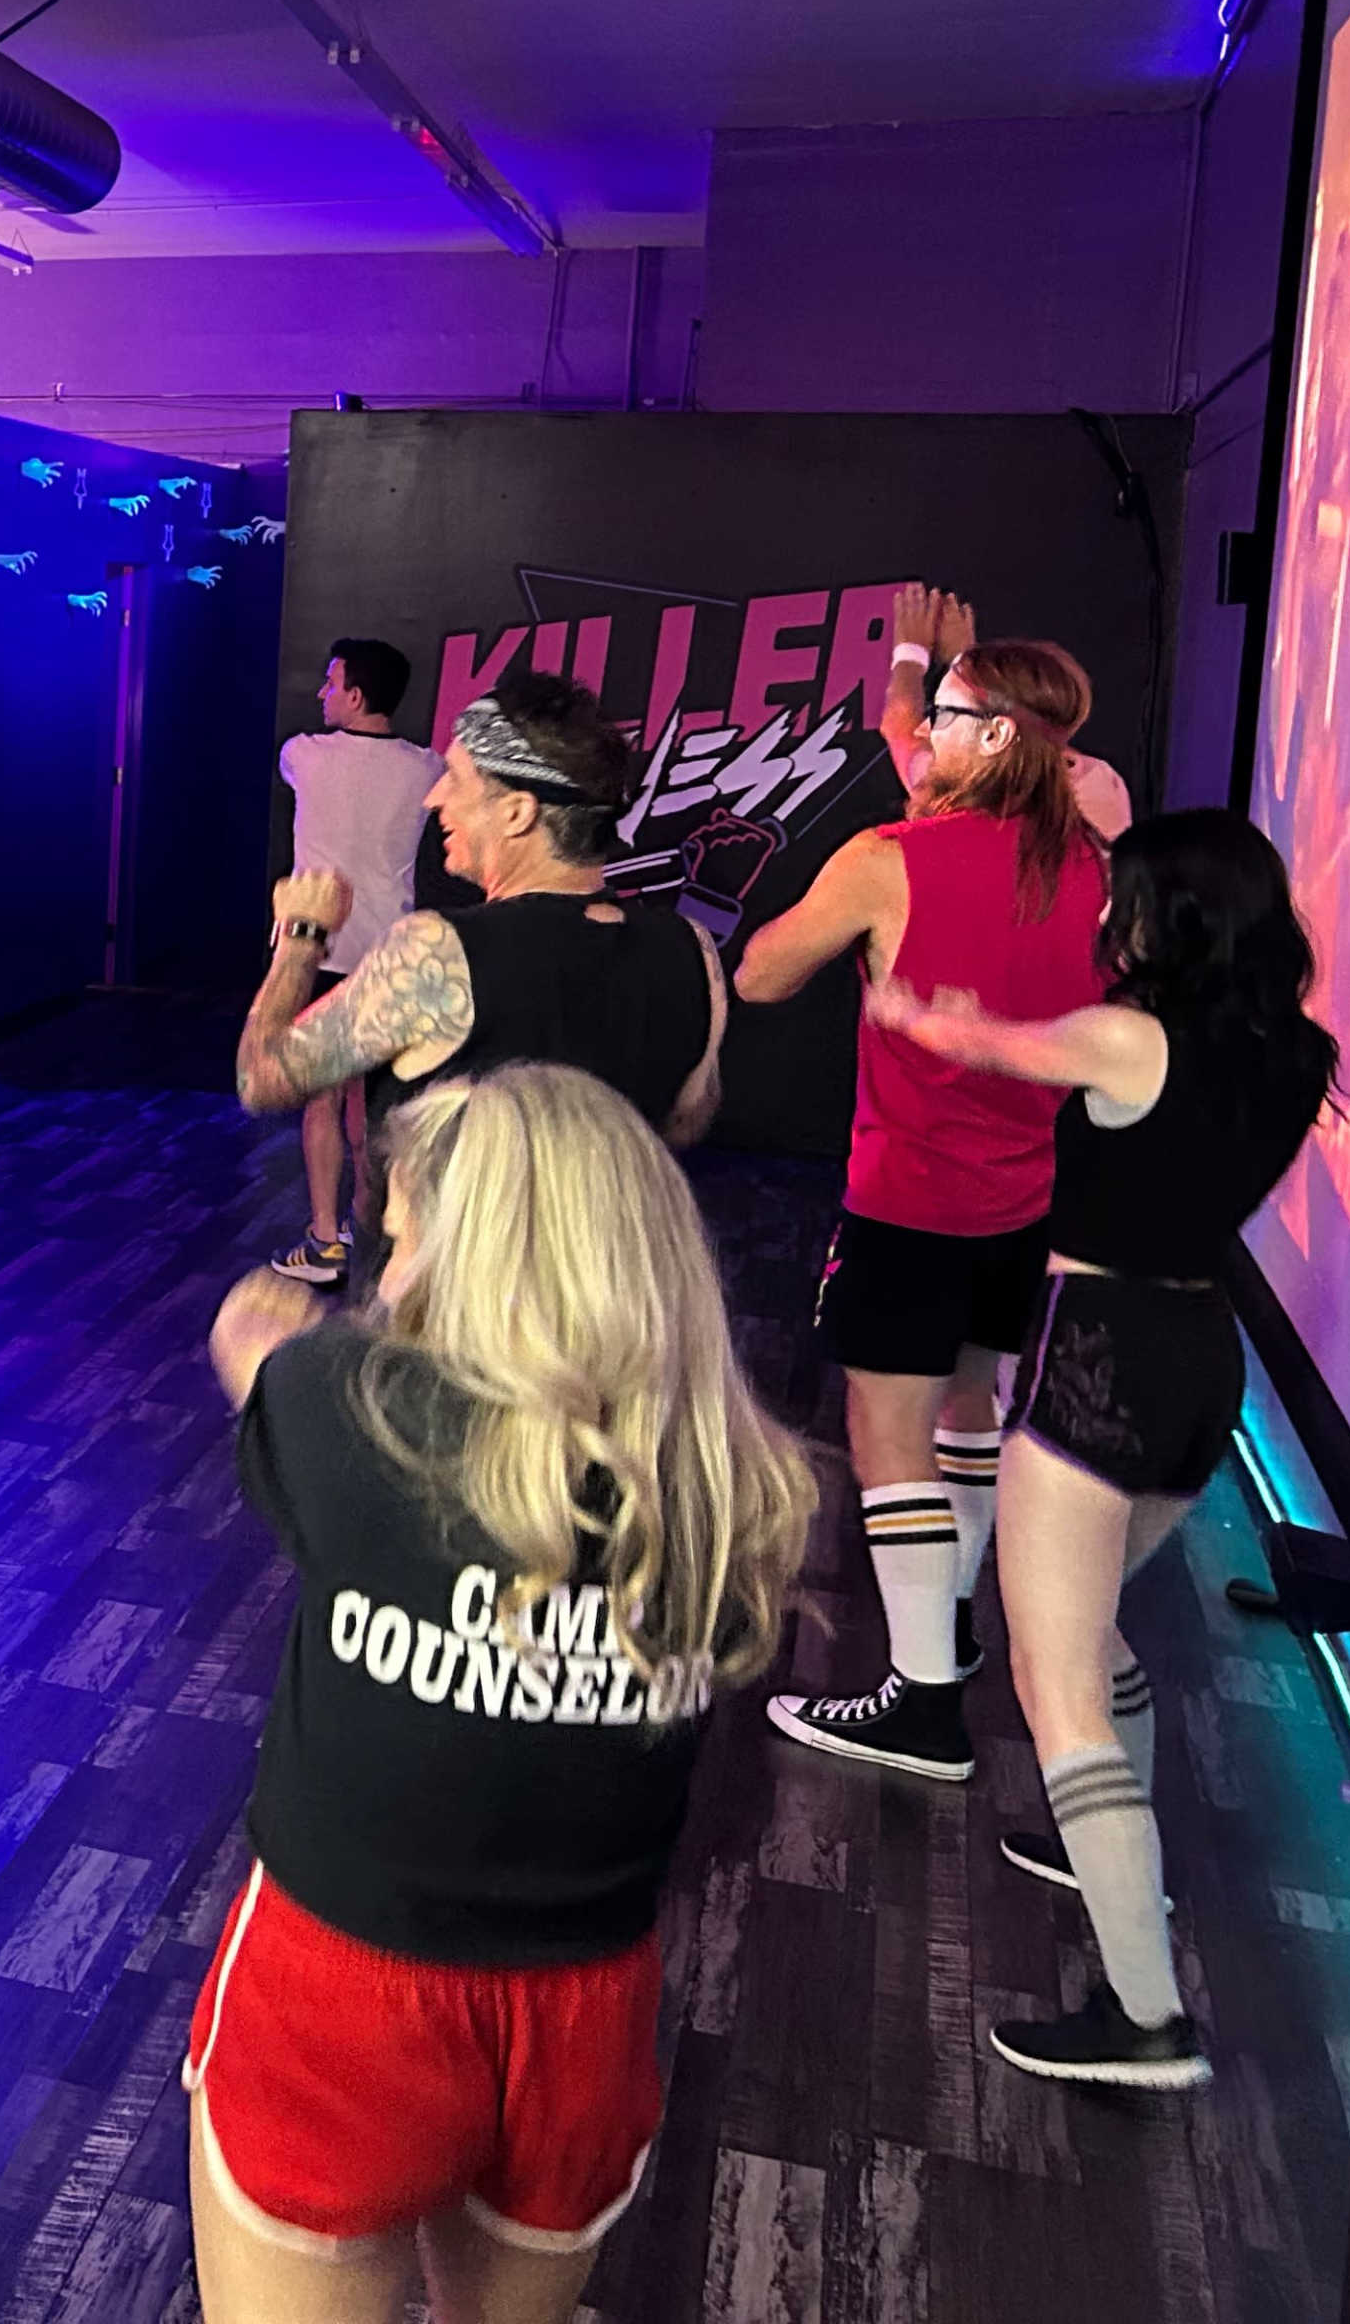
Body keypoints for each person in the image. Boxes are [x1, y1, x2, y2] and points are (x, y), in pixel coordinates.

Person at [189, 1063, 811, 2324]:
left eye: (402, 1240)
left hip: (339, 1994)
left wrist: (261, 1343)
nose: (387, 1275)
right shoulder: (726, 1492)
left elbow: (261, 1362)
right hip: (586, 2016)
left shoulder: (349, 1413)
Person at [859, 812, 1334, 2089]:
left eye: (1125, 900)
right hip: (1200, 1354)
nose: (1107, 920)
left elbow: (990, 1045)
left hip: (1100, 1350)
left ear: (1169, 915)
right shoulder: (1298, 1051)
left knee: (1052, 1673)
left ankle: (1147, 2019)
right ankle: (1102, 1852)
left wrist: (917, 1014)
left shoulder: (1132, 1039)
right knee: (1101, 1631)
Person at [737, 635, 1108, 1780]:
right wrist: (914, 682)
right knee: (969, 1408)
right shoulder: (1095, 864)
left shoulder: (887, 856)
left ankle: (925, 1708)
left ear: (995, 734)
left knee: (882, 1433)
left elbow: (760, 973)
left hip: (906, 1200)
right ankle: (942, 1622)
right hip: (1025, 1200)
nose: (924, 734)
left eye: (945, 715)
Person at [236, 670, 727, 1150]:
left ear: (517, 812)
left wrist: (302, 935)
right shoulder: (692, 947)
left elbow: (262, 1079)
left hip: (455, 1234)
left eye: (454, 777)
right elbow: (686, 1120)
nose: (433, 798)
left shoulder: (437, 952)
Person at [270, 636, 440, 1285]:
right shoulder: (425, 767)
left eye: (331, 681)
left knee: (321, 1102)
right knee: (373, 1108)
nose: (321, 693)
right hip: (390, 953)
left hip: (320, 950)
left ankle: (324, 1239)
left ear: (357, 695)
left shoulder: (303, 754)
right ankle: (374, 1238)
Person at [884, 585, 1133, 841]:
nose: (923, 728)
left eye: (941, 713)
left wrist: (910, 654)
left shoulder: (960, 808)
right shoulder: (1100, 786)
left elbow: (900, 729)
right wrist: (969, 668)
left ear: (996, 734)